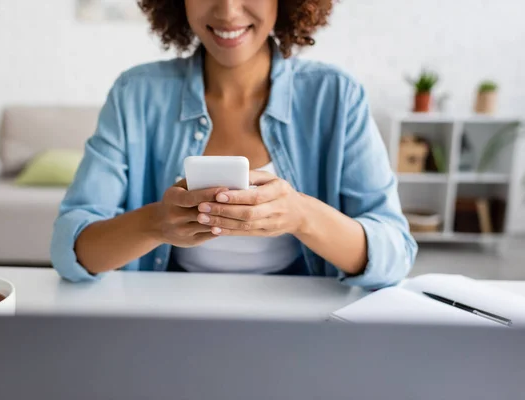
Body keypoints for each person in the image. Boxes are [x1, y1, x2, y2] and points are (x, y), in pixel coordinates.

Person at [50, 0, 418, 290]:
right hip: (166, 323)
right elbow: (71, 252)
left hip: (301, 330)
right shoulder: (136, 95)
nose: (228, 11)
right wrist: (156, 223)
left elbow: (395, 255)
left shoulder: (336, 95)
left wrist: (301, 215)